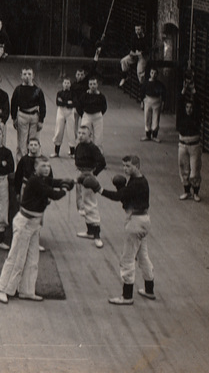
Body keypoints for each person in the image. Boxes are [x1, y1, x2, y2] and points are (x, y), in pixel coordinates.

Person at [0, 157, 73, 304]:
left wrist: (67, 180)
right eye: (43, 166)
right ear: (35, 168)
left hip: (35, 224)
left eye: (48, 166)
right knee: (16, 257)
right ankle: (2, 288)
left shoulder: (42, 179)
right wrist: (65, 188)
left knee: (32, 259)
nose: (47, 168)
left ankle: (26, 290)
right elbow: (54, 194)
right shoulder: (35, 181)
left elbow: (53, 182)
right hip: (24, 223)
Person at [93, 156, 155, 305]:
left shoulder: (136, 183)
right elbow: (126, 198)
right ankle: (149, 290)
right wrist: (121, 188)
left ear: (137, 166)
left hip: (135, 223)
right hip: (144, 220)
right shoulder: (139, 180)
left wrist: (99, 189)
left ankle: (127, 296)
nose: (125, 169)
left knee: (127, 259)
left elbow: (118, 197)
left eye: (128, 166)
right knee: (143, 256)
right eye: (124, 166)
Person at [74, 125, 106, 248]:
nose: (80, 135)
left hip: (88, 176)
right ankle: (89, 231)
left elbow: (102, 162)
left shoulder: (93, 148)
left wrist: (93, 174)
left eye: (83, 133)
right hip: (79, 174)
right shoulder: (79, 146)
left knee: (90, 204)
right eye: (79, 133)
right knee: (81, 202)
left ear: (90, 135)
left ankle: (97, 234)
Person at [11, 67, 46, 159]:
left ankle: (34, 161)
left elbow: (42, 106)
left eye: (29, 74)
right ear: (21, 76)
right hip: (22, 115)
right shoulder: (18, 90)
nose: (27, 76)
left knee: (34, 141)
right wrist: (14, 118)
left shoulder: (38, 90)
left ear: (33, 76)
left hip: (34, 116)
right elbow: (13, 104)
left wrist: (41, 120)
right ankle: (21, 163)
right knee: (22, 142)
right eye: (25, 74)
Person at [177, 98, 202, 201]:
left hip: (194, 146)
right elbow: (179, 104)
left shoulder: (196, 117)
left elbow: (199, 105)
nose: (189, 109)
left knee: (195, 170)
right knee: (183, 169)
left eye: (191, 107)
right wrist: (183, 91)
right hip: (183, 145)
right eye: (187, 107)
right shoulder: (181, 117)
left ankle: (196, 192)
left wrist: (193, 90)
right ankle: (187, 191)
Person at [76, 76, 107, 150]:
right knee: (83, 134)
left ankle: (98, 152)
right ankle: (83, 150)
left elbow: (104, 107)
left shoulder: (101, 96)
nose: (92, 86)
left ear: (97, 85)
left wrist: (98, 114)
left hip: (97, 116)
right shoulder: (84, 95)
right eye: (91, 84)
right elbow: (79, 106)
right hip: (87, 116)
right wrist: (83, 115)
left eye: (94, 84)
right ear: (88, 85)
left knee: (98, 136)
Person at [51, 77, 76, 158]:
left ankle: (72, 152)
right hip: (61, 112)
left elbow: (73, 104)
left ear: (70, 84)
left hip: (70, 112)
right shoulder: (59, 93)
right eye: (65, 83)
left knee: (71, 131)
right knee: (59, 130)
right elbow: (58, 103)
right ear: (62, 84)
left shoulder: (73, 93)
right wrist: (67, 102)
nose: (66, 85)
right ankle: (56, 151)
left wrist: (64, 102)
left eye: (68, 83)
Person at [140, 68, 166, 142]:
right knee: (147, 117)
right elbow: (142, 92)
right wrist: (142, 101)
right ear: (150, 73)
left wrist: (163, 102)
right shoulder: (146, 83)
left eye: (155, 73)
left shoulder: (160, 84)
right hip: (148, 100)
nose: (153, 75)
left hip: (157, 101)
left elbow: (163, 93)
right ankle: (147, 134)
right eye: (152, 73)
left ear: (157, 75)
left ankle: (154, 135)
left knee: (156, 118)